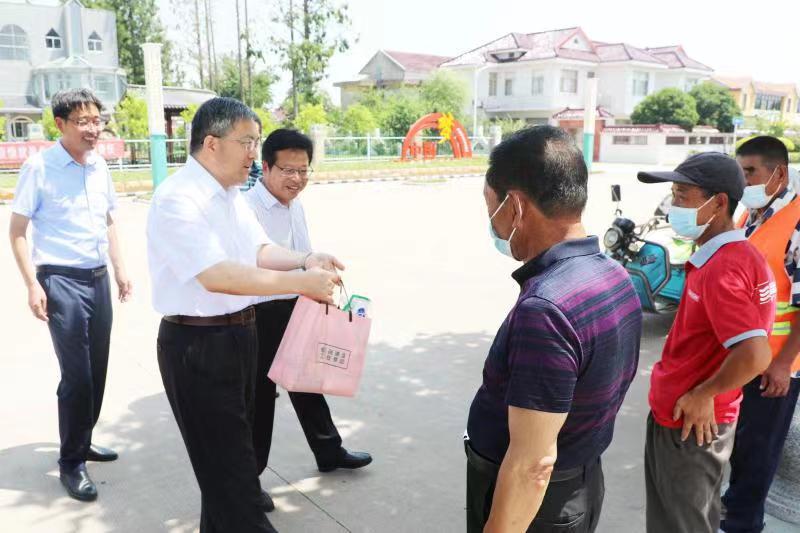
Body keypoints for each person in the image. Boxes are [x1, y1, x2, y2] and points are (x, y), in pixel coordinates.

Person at [147, 97, 342, 533]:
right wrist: (300, 283)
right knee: (233, 481)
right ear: (212, 143)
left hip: (240, 337)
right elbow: (216, 275)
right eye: (247, 142)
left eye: (256, 141)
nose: (254, 152)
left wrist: (306, 259)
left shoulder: (231, 197)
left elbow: (259, 250)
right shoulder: (179, 198)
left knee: (228, 472)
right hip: (199, 345)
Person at [465, 126, 642, 532]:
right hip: (578, 482)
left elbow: (533, 465)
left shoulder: (546, 310)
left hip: (536, 507)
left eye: (491, 208)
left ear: (515, 206)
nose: (492, 223)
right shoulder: (615, 275)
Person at [638, 152, 775, 533]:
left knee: (680, 525)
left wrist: (703, 394)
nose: (674, 206)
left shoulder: (724, 267)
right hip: (694, 420)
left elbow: (755, 354)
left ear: (718, 203)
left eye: (683, 196)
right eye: (673, 195)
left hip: (690, 425)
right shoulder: (736, 255)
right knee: (694, 519)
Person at [8, 88, 131, 502]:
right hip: (60, 280)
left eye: (96, 120)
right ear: (60, 124)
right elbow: (17, 231)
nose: (92, 129)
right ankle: (71, 462)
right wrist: (32, 284)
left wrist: (120, 268)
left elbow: (109, 220)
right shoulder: (39, 168)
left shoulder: (99, 166)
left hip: (98, 278)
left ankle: (84, 437)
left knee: (97, 369)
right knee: (77, 377)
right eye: (83, 121)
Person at [244, 128, 372, 512]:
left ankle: (329, 450)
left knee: (309, 383)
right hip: (259, 311)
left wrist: (318, 273)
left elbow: (303, 253)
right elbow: (255, 263)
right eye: (288, 169)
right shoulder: (247, 209)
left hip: (296, 303)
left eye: (303, 170)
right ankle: (249, 480)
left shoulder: (294, 205)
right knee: (260, 398)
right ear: (266, 167)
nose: (297, 179)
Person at [720, 137, 800, 533]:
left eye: (750, 171)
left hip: (777, 364)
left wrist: (783, 364)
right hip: (746, 357)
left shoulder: (796, 222)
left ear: (778, 173)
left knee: (758, 451)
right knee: (742, 443)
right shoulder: (753, 214)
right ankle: (734, 509)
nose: (744, 180)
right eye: (740, 172)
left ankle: (742, 523)